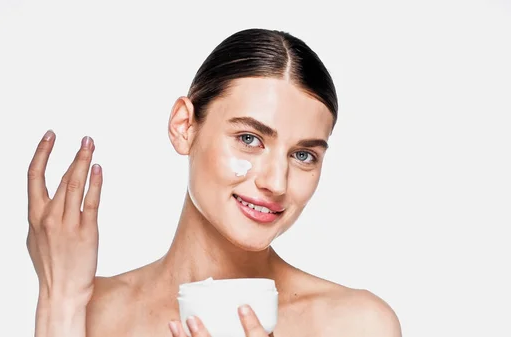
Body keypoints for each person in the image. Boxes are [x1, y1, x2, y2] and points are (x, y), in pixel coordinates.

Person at [26, 28, 402, 337]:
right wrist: (60, 300)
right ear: (184, 126)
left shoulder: (356, 325)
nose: (276, 182)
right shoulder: (92, 311)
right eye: (249, 139)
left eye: (303, 155)